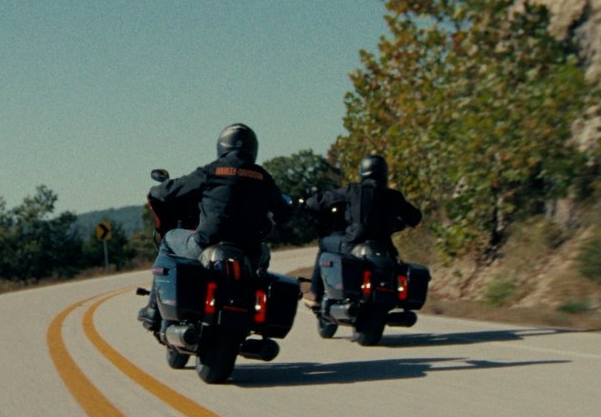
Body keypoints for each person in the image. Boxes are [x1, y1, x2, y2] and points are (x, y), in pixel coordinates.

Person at [137, 123, 292, 331]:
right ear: (253, 148)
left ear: (223, 146)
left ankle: (153, 309)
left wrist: (156, 190)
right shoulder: (263, 177)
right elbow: (284, 214)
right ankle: (251, 307)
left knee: (169, 239)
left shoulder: (212, 171)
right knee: (263, 257)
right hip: (249, 251)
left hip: (206, 243)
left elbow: (170, 191)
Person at [302, 154, 422, 301]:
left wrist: (308, 203)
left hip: (353, 242)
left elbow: (320, 201)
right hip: (383, 247)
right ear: (384, 173)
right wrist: (397, 223)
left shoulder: (353, 190)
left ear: (363, 172)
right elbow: (415, 217)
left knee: (325, 243)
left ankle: (315, 292)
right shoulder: (394, 196)